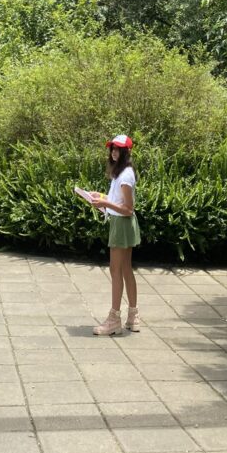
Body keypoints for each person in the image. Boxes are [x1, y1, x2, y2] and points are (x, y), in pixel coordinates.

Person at [89, 133, 141, 335]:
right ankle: (133, 316)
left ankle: (114, 320)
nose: (114, 152)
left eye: (118, 149)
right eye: (112, 148)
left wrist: (105, 203)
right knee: (125, 269)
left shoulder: (125, 176)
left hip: (122, 223)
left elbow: (128, 208)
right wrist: (100, 197)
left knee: (116, 270)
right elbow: (118, 202)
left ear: (126, 152)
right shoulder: (121, 173)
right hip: (123, 223)